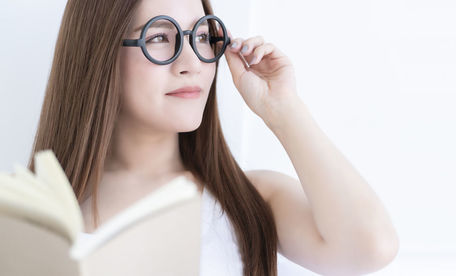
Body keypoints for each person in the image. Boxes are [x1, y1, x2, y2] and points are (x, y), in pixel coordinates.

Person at [27, 0, 399, 274]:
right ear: (100, 54)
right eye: (158, 37)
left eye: (202, 35)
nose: (191, 61)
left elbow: (371, 246)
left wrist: (283, 109)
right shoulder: (32, 215)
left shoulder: (250, 201)